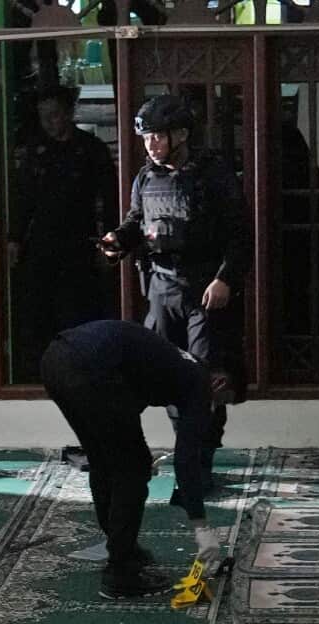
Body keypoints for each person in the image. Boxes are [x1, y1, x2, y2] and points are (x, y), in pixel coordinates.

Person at [98, 94, 248, 488]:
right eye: (146, 138)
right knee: (166, 375)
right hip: (162, 291)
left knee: (205, 378)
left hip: (204, 292)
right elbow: (136, 221)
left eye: (158, 137)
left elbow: (240, 235)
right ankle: (186, 448)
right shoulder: (145, 178)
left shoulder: (212, 175)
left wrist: (226, 279)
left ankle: (200, 460)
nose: (150, 145)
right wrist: (118, 240)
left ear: (180, 135)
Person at [41, 320, 222, 599]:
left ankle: (122, 548)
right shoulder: (200, 382)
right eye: (225, 400)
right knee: (132, 467)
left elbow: (127, 402)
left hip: (54, 359)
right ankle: (121, 572)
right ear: (220, 382)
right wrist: (201, 526)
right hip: (90, 368)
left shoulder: (176, 363)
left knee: (105, 458)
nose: (214, 410)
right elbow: (186, 460)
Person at [9, 85, 118, 381]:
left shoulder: (90, 149)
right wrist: (15, 240)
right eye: (44, 117)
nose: (50, 122)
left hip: (79, 243)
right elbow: (23, 201)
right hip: (42, 244)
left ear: (69, 114)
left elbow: (109, 200)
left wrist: (108, 243)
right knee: (39, 314)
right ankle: (42, 372)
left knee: (77, 311)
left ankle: (81, 372)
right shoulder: (35, 151)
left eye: (55, 115)